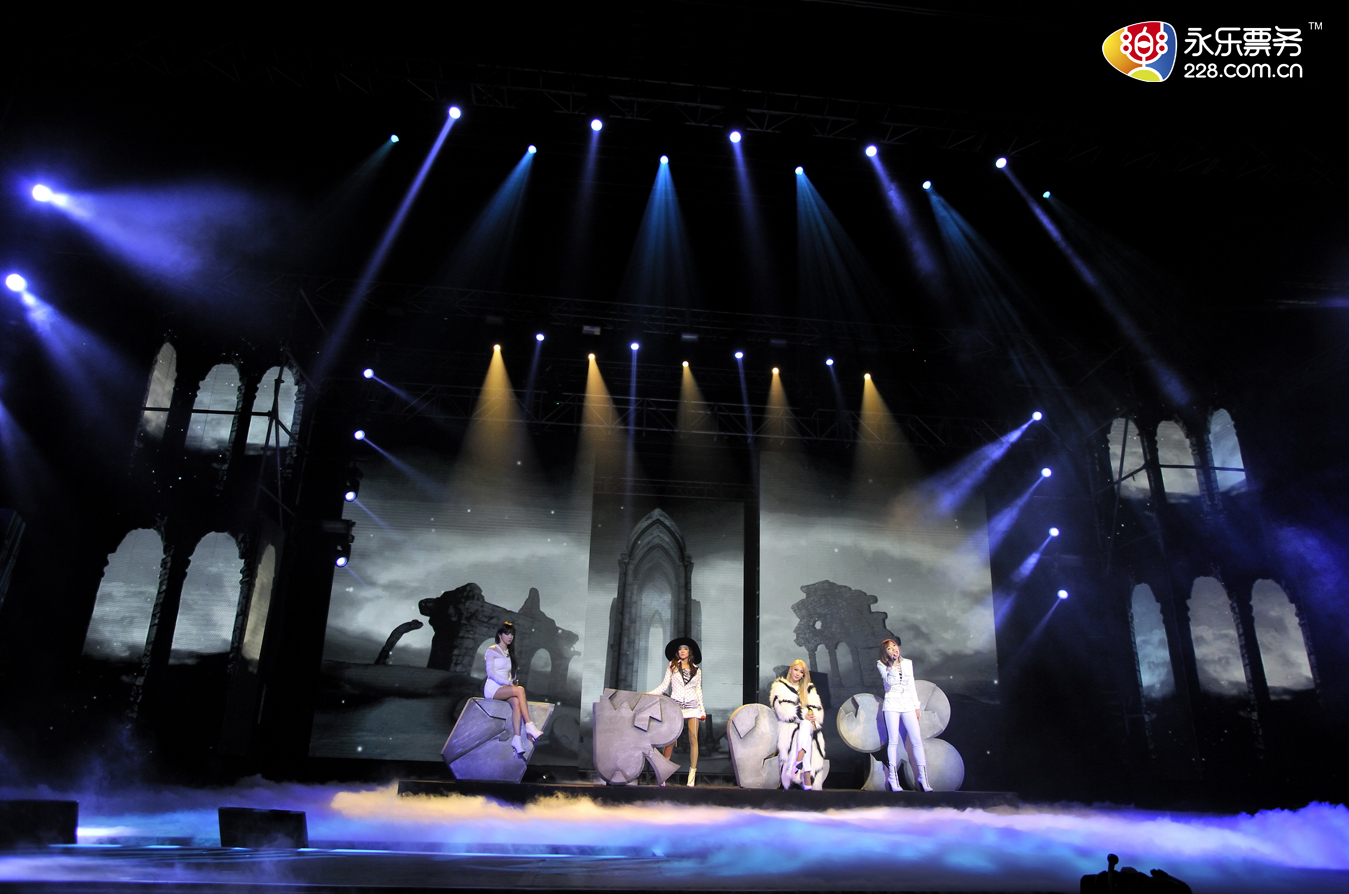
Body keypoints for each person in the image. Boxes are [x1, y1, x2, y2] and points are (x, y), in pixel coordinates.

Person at [647, 637, 705, 786]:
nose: (682, 651)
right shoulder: (672, 667)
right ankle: (663, 774)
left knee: (693, 738)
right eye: (680, 649)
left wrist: (702, 710)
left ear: (690, 652)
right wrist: (649, 694)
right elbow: (664, 686)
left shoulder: (697, 670)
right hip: (676, 707)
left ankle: (692, 775)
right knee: (670, 740)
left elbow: (698, 690)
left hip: (693, 707)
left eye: (685, 649)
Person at [877, 637, 932, 792]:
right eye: (889, 648)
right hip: (892, 704)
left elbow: (911, 685)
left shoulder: (907, 663)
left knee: (917, 740)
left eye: (894, 646)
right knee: (893, 741)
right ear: (885, 653)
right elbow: (890, 682)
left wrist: (916, 707)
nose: (894, 649)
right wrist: (893, 665)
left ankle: (923, 779)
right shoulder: (881, 664)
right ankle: (893, 779)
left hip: (907, 703)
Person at [484, 621, 543, 756]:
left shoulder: (510, 653)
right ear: (500, 635)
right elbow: (490, 673)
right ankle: (529, 725)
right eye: (507, 633)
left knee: (516, 702)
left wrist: (512, 681)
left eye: (512, 634)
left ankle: (516, 739)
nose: (510, 637)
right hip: (493, 689)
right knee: (520, 690)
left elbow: (510, 673)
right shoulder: (492, 650)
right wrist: (507, 683)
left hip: (505, 688)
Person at [770, 659, 826, 790]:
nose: (797, 673)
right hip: (789, 726)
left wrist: (810, 714)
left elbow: (818, 710)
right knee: (804, 729)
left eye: (801, 672)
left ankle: (796, 762)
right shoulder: (779, 687)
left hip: (809, 725)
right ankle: (805, 771)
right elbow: (783, 710)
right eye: (796, 670)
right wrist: (803, 714)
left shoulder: (808, 689)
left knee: (806, 725)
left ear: (803, 675)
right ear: (790, 670)